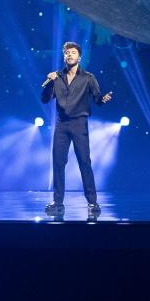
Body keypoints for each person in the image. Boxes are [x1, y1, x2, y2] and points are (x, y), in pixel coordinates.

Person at [40, 41, 112, 219]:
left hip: (79, 124)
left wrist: (103, 99)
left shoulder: (88, 77)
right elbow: (45, 99)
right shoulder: (57, 77)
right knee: (58, 162)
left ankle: (92, 202)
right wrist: (49, 83)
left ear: (79, 57)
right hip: (61, 124)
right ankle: (57, 202)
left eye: (73, 52)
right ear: (64, 56)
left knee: (84, 162)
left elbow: (97, 98)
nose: (69, 55)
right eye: (67, 53)